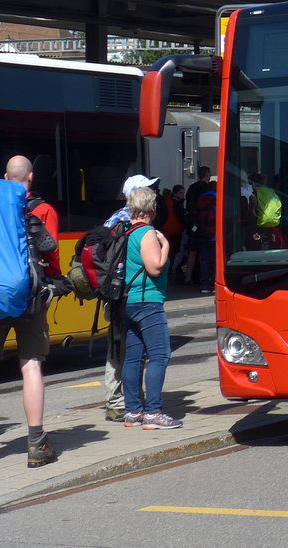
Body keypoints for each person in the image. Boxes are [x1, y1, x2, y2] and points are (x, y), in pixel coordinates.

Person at [0, 156, 60, 469]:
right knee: (30, 365)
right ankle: (36, 444)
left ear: (5, 177)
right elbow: (48, 247)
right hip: (24, 298)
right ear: (30, 178)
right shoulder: (29, 209)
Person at [119, 186, 182, 430]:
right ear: (152, 208)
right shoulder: (146, 233)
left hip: (130, 302)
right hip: (148, 301)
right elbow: (155, 267)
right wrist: (165, 244)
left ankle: (133, 411)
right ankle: (153, 412)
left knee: (133, 357)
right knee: (160, 354)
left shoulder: (126, 231)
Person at [99, 172, 159, 423]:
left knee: (120, 347)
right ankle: (121, 401)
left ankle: (121, 400)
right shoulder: (132, 223)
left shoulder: (113, 220)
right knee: (129, 350)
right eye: (148, 190)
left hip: (115, 293)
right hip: (130, 295)